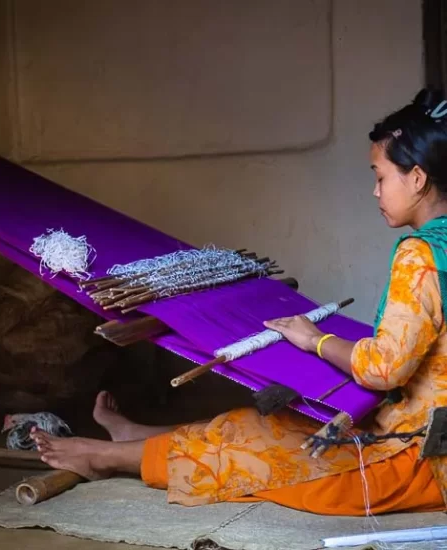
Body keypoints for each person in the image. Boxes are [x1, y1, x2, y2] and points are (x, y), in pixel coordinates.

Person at [32, 88, 447, 515]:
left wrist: (315, 340)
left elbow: (385, 368)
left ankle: (103, 457)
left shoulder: (420, 254)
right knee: (265, 424)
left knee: (254, 448)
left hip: (414, 462)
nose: (376, 192)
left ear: (416, 178)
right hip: (420, 439)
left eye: (380, 177)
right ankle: (135, 436)